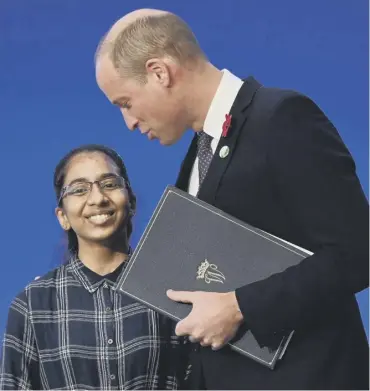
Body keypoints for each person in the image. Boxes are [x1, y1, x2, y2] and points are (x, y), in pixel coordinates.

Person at [94, 9, 369, 390]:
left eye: (125, 102)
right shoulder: (198, 152)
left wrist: (240, 307)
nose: (129, 122)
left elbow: (357, 253)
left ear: (160, 72)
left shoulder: (282, 118)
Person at [0, 144, 190, 390]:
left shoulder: (170, 290)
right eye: (79, 190)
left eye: (109, 184)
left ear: (131, 202)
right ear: (63, 216)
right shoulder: (33, 304)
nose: (98, 198)